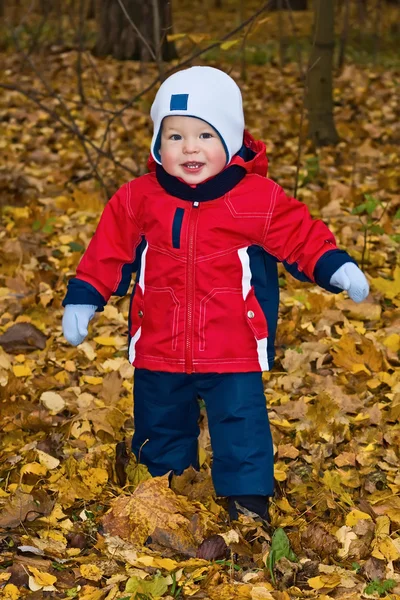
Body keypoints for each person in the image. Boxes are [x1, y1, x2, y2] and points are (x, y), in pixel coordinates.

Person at [62, 66, 369, 522]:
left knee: (240, 424)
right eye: (175, 135)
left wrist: (335, 266)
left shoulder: (257, 199)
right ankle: (165, 494)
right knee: (159, 423)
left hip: (233, 344)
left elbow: (300, 235)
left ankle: (247, 501)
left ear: (229, 139)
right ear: (157, 144)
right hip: (159, 344)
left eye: (205, 135)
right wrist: (84, 296)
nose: (190, 147)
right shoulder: (138, 199)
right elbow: (109, 251)